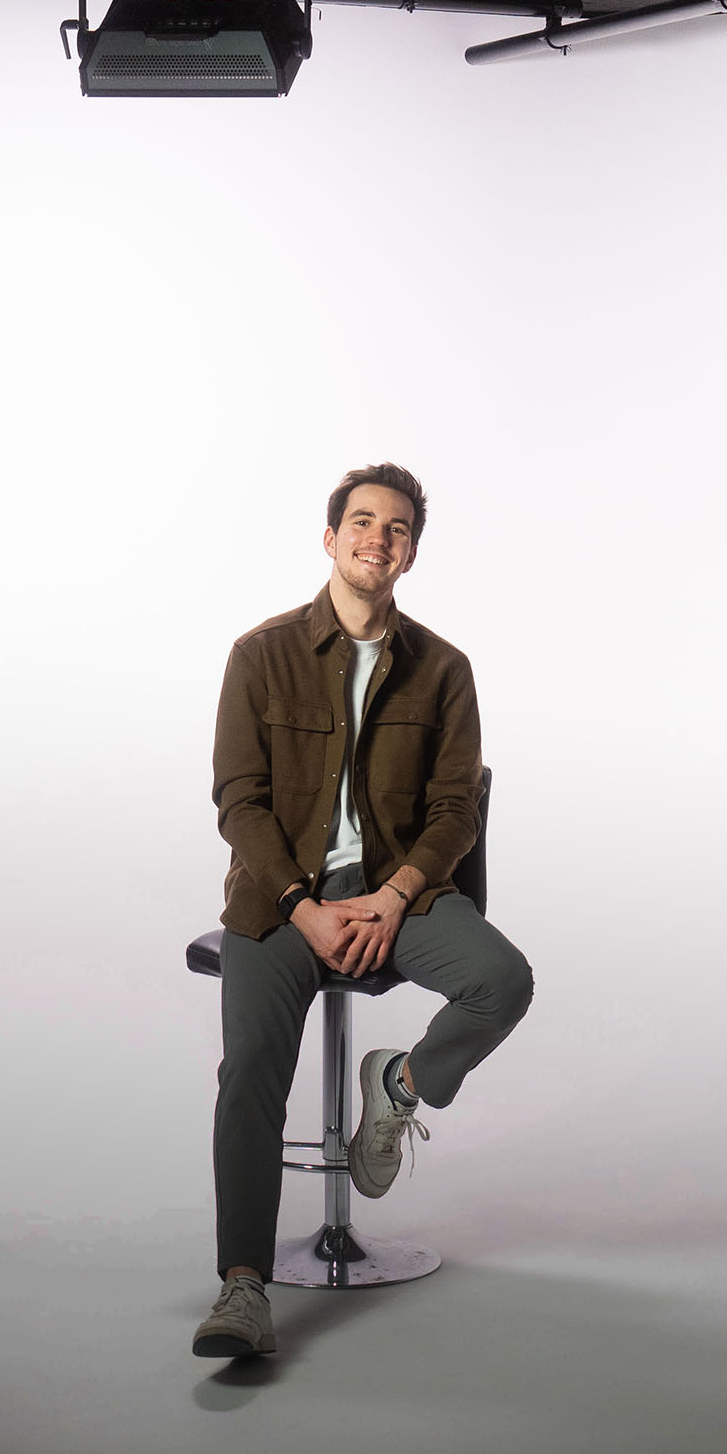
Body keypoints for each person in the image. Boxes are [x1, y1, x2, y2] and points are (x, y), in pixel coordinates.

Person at [193, 464, 534, 1363]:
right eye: (362, 521)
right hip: (282, 905)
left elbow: (455, 810)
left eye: (397, 528)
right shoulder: (260, 655)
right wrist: (301, 905)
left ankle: (399, 1087)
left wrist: (393, 894)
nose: (377, 538)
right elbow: (239, 800)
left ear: (410, 554)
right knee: (252, 1069)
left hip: (400, 897)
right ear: (330, 537)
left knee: (503, 982)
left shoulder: (444, 670)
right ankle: (244, 1287)